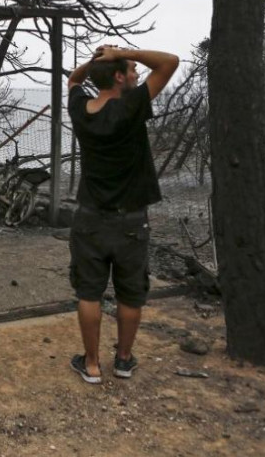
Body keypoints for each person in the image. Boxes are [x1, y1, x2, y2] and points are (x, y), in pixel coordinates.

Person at [66, 44, 179, 383]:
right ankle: (124, 360)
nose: (137, 75)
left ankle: (91, 365)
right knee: (130, 293)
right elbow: (170, 62)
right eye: (131, 70)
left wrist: (94, 61)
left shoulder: (80, 109)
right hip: (131, 219)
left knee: (89, 292)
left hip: (89, 219)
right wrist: (120, 50)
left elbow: (73, 80)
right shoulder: (131, 106)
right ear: (118, 77)